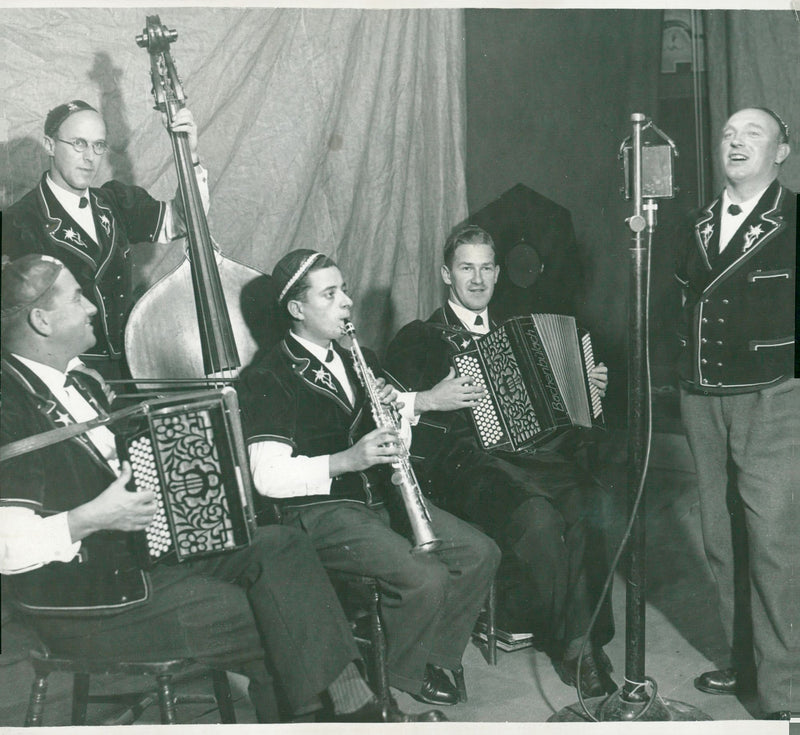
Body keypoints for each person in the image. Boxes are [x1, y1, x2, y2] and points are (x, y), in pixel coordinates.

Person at [0, 254, 444, 724]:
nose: (93, 307)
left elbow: (117, 468)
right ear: (41, 319)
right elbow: (6, 545)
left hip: (135, 555)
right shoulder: (10, 405)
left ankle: (346, 713)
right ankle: (356, 715)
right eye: (77, 297)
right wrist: (92, 516)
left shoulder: (82, 385)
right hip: (83, 596)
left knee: (282, 546)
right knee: (271, 615)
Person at [238, 249, 500, 709]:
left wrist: (394, 410)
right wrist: (347, 459)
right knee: (425, 578)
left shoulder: (363, 358)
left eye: (345, 290)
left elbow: (392, 439)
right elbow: (267, 477)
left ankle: (430, 659)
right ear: (297, 310)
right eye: (331, 294)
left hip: (375, 497)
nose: (347, 303)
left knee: (481, 553)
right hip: (317, 511)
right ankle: (382, 688)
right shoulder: (268, 375)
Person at [384, 224, 616, 697]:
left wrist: (588, 394)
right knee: (537, 520)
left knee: (596, 503)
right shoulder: (418, 338)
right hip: (464, 467)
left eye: (486, 267)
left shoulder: (521, 331)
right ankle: (578, 648)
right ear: (446, 274)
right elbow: (380, 410)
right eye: (466, 268)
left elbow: (561, 412)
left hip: (535, 457)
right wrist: (429, 398)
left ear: (497, 273)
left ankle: (581, 637)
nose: (477, 279)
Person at [675, 107, 798, 721]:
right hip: (701, 399)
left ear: (782, 151)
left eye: (753, 133)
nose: (736, 141)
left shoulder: (794, 218)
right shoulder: (695, 223)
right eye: (726, 133)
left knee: (774, 542)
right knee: (721, 541)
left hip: (773, 398)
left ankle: (786, 692)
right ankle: (742, 661)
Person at [2, 99, 210, 372]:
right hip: (70, 371)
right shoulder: (18, 221)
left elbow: (184, 220)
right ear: (51, 145)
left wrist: (189, 155)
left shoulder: (114, 201)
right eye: (78, 143)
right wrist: (75, 370)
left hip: (133, 362)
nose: (90, 157)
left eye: (98, 145)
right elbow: (14, 322)